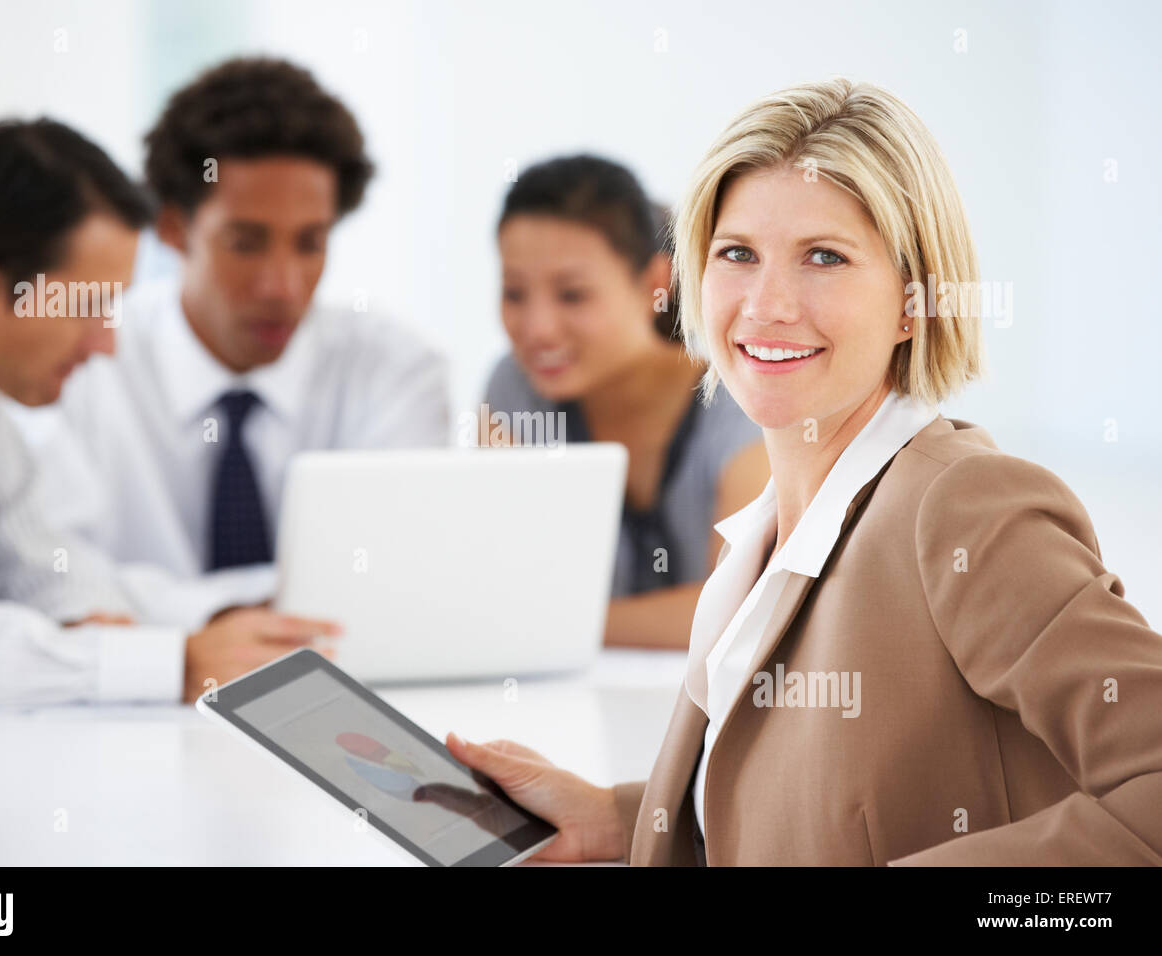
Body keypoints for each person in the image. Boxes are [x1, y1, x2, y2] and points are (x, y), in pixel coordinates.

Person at [441, 78, 1162, 865]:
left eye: (825, 257)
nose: (766, 304)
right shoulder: (769, 529)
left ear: (913, 302)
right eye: (738, 254)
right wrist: (617, 816)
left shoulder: (963, 505)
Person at [0, 119, 329, 865]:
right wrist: (163, 663)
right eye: (86, 308)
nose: (106, 342)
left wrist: (186, 624)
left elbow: (41, 564)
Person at [21, 57, 450, 627]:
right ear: (173, 228)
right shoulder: (81, 363)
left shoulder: (394, 371)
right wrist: (257, 608)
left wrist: (150, 605)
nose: (282, 286)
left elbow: (402, 576)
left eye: (310, 243)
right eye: (246, 243)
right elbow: (45, 581)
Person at [483, 156, 769, 649]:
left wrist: (553, 626)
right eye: (514, 293)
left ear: (653, 284)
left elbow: (741, 610)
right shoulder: (515, 390)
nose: (536, 329)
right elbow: (501, 581)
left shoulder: (742, 405)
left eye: (572, 295)